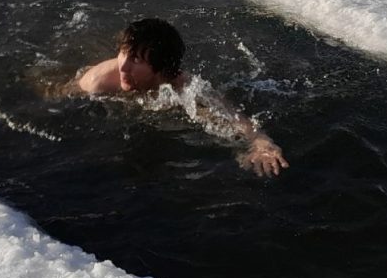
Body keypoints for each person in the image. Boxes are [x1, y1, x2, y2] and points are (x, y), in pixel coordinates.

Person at [74, 18, 289, 177]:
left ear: (162, 70)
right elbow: (58, 96)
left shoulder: (181, 83)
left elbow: (230, 113)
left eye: (136, 60)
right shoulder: (97, 82)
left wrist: (260, 142)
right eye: (123, 53)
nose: (124, 66)